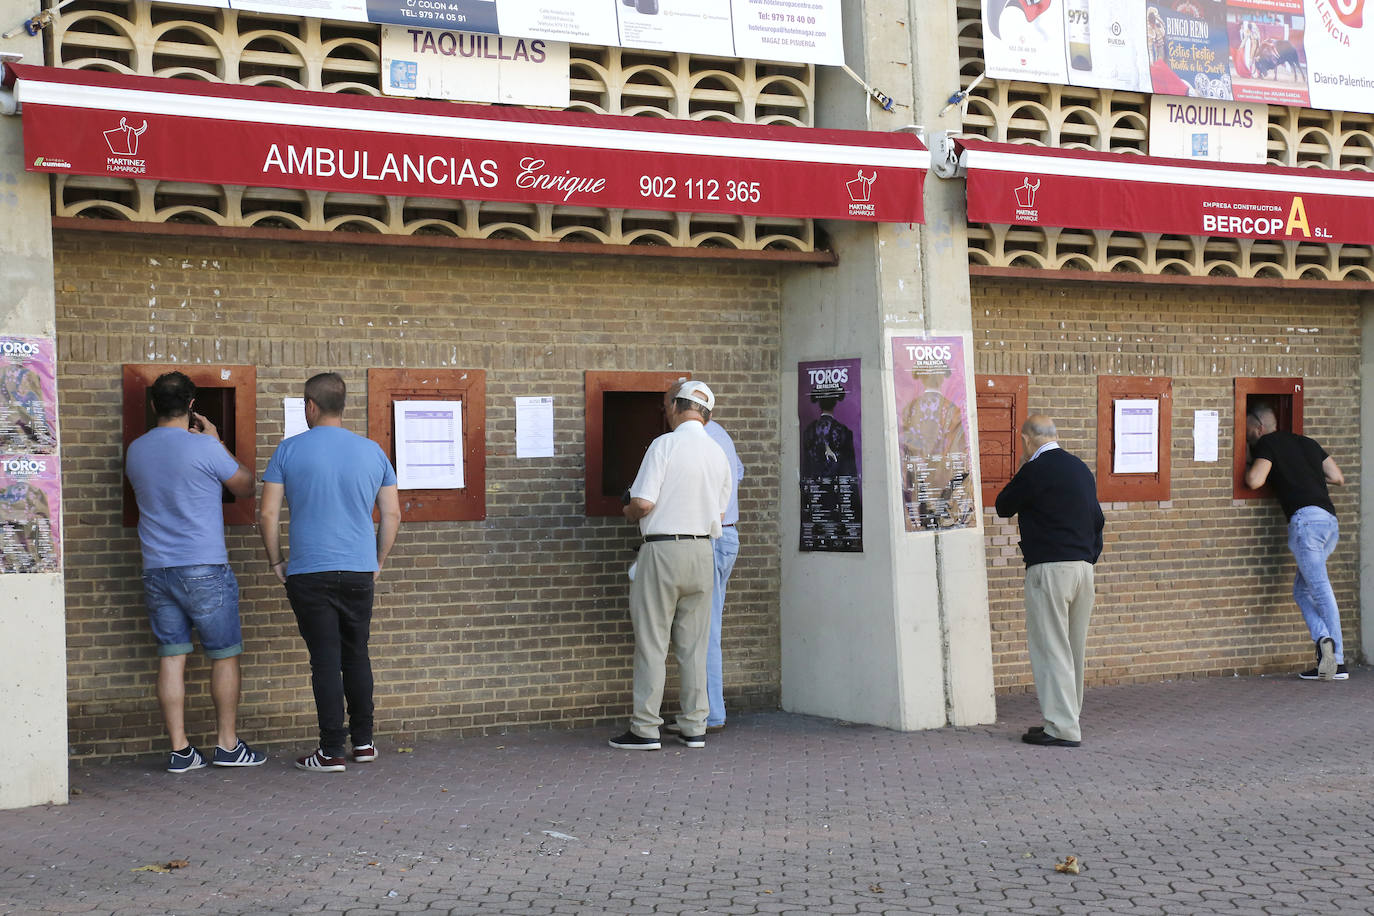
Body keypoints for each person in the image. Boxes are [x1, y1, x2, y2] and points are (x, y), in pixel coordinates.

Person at [258, 372, 401, 772]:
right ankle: (365, 743)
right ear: (343, 406)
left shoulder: (288, 451)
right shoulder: (373, 451)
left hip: (309, 572)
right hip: (358, 571)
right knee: (357, 655)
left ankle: (330, 751)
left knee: (325, 659)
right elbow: (392, 514)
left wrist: (276, 560)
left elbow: (268, 513)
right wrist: (378, 560)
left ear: (310, 405)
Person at [124, 371, 265, 773]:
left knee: (172, 657)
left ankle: (180, 749)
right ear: (191, 406)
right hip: (204, 566)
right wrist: (216, 441)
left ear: (154, 405)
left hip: (156, 568)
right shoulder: (204, 447)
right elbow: (245, 486)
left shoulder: (136, 450)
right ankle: (227, 744)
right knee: (224, 656)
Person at [610, 379, 732, 751]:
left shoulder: (665, 444)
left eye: (666, 406)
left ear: (678, 407)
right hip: (703, 551)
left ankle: (646, 728)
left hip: (663, 551)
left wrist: (628, 508)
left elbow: (644, 503)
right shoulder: (717, 453)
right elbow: (721, 511)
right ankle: (694, 725)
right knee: (694, 646)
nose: (665, 412)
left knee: (652, 642)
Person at [995, 414, 1104, 748]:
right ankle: (1067, 718)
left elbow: (1003, 506)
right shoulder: (1080, 469)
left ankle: (1061, 727)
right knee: (1073, 648)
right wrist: (1087, 557)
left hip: (1050, 570)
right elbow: (1097, 520)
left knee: (1051, 648)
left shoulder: (1035, 469)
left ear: (1027, 440)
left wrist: (1022, 471)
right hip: (1083, 570)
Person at [1245, 406, 1347, 681]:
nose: (1246, 436)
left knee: (1321, 589)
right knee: (1303, 591)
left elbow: (1254, 481)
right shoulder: (1309, 443)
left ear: (1259, 427)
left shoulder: (1267, 443)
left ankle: (1337, 661)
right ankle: (1324, 643)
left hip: (1306, 524)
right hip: (1329, 523)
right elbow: (1338, 477)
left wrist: (1259, 470)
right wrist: (1306, 477)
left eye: (1247, 431)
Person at [702, 415, 744, 732]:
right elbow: (738, 474)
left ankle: (711, 712)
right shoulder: (722, 435)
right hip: (729, 535)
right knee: (708, 627)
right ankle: (708, 710)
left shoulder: (697, 440)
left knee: (705, 631)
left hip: (712, 538)